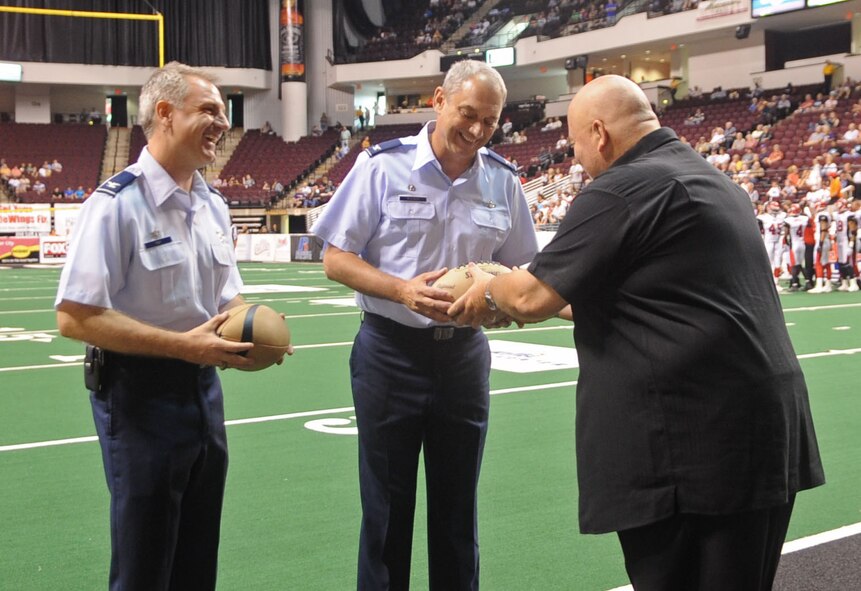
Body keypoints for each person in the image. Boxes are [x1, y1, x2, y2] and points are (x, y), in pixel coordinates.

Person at [448, 75, 824, 591]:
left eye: (577, 145)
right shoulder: (711, 179)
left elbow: (531, 296)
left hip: (691, 440)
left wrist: (485, 284)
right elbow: (642, 298)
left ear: (599, 134)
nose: (577, 159)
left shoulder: (623, 188)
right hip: (760, 430)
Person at [54, 62, 291, 591]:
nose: (223, 122)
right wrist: (182, 347)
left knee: (197, 555)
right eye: (208, 109)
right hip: (139, 395)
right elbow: (74, 316)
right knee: (144, 562)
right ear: (164, 113)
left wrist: (257, 331)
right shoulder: (114, 205)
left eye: (224, 111)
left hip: (204, 393)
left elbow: (230, 298)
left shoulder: (212, 204)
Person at [312, 59, 537, 590]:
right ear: (438, 100)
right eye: (468, 114)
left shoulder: (502, 180)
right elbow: (335, 258)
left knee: (458, 510)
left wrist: (502, 306)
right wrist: (403, 289)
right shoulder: (382, 167)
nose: (478, 131)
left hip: (463, 357)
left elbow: (521, 268)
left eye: (490, 121)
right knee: (386, 512)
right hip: (389, 353)